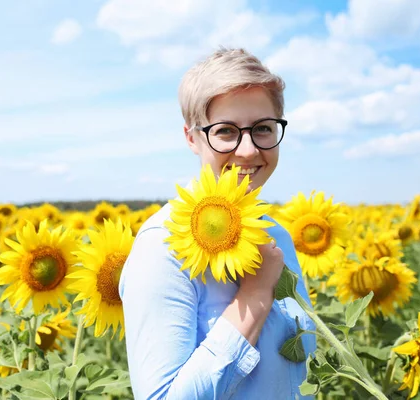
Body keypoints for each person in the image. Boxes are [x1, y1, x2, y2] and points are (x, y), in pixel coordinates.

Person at [119, 47, 317, 399]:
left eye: (263, 128)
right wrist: (255, 296)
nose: (248, 150)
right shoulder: (162, 246)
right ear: (192, 138)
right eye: (225, 131)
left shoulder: (279, 236)